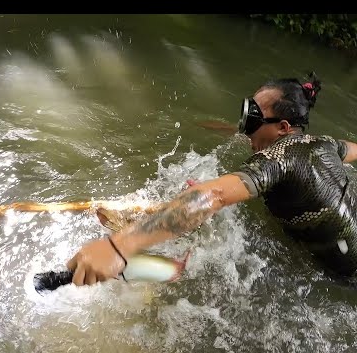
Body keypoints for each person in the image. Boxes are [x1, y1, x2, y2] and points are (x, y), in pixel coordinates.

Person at [67, 72, 357, 285]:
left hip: (346, 271)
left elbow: (214, 195)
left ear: (282, 127)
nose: (245, 131)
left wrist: (120, 245)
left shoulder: (278, 160)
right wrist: (227, 129)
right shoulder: (323, 144)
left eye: (252, 122)